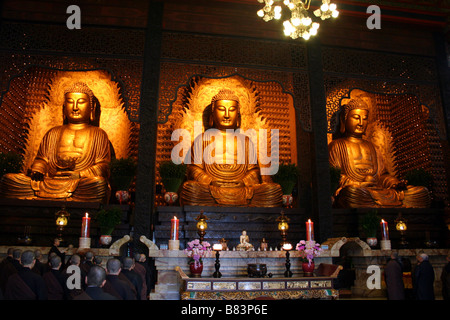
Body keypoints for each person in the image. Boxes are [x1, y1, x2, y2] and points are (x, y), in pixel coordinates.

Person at [0, 81, 111, 203]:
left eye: (81, 102)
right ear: (64, 107)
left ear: (91, 107)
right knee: (9, 180)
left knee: (98, 184)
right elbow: (42, 159)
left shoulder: (98, 134)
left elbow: (104, 166)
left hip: (79, 183)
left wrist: (79, 175)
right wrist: (38, 170)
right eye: (70, 102)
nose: (75, 107)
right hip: (49, 180)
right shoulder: (53, 132)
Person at [180, 89, 282, 207]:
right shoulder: (202, 140)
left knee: (272, 190)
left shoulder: (246, 141)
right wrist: (210, 181)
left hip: (242, 190)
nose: (227, 114)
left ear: (238, 114)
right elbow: (193, 170)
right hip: (210, 189)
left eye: (232, 110)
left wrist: (243, 182)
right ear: (212, 114)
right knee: (190, 189)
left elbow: (254, 172)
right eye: (221, 109)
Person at [328, 98, 431, 208]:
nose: (361, 123)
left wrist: (394, 183)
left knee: (421, 192)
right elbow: (334, 176)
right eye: (356, 118)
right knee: (351, 194)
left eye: (365, 118)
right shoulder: (336, 146)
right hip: (358, 192)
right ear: (344, 120)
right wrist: (358, 184)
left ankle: (383, 203)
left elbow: (382, 175)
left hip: (378, 192)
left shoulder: (372, 147)